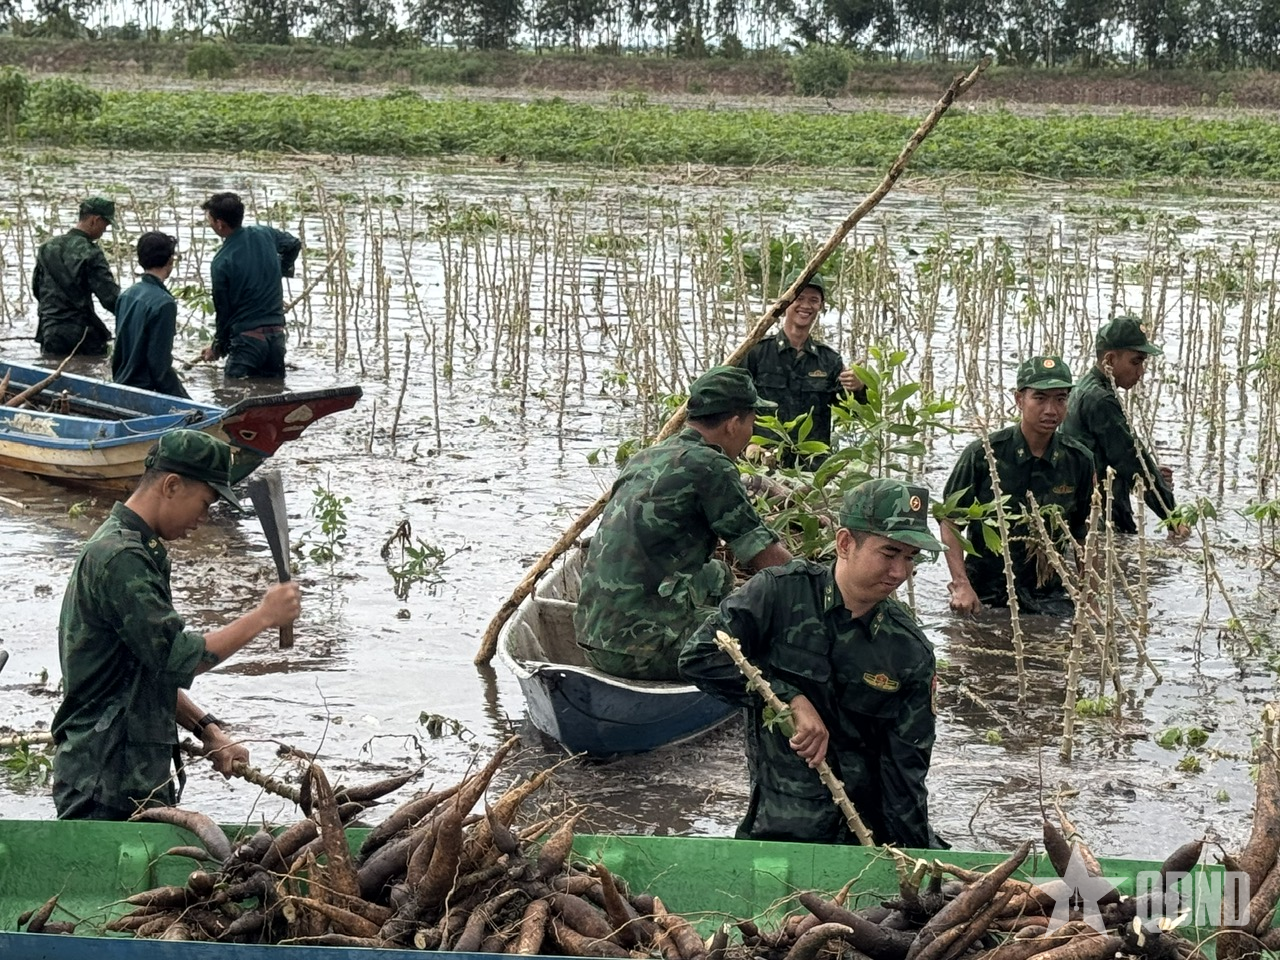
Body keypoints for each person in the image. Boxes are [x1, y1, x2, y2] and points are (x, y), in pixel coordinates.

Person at [680, 477, 944, 849]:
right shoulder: (778, 594)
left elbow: (906, 775)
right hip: (778, 830)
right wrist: (790, 699)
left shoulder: (909, 651)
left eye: (910, 557)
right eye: (889, 553)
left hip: (863, 839)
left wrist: (913, 858)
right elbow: (700, 656)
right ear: (845, 543)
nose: (900, 572)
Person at [51, 430, 302, 820]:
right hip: (105, 780)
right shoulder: (121, 559)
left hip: (129, 775)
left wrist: (208, 730)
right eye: (205, 503)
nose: (203, 520)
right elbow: (176, 658)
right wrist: (263, 616)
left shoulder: (136, 549)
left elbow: (146, 671)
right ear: (171, 486)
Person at [574, 365, 793, 681]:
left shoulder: (645, 457)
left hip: (591, 636)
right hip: (641, 653)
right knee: (769, 635)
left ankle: (686, 632)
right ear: (733, 425)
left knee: (717, 574)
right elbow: (764, 555)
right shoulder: (712, 466)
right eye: (751, 422)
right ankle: (694, 660)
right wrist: (821, 589)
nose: (751, 432)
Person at [940, 356, 1096, 618]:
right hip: (985, 593)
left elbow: (1084, 534)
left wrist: (1090, 595)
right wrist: (961, 584)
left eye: (1060, 399)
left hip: (1048, 596)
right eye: (1040, 398)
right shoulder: (984, 455)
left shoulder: (1078, 460)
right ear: (1019, 399)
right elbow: (950, 522)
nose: (1051, 410)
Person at [1060, 315, 1186, 536]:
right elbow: (1131, 459)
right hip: (1097, 516)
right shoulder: (1100, 399)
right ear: (1109, 360)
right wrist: (1172, 516)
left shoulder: (1085, 388)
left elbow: (1105, 459)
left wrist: (1155, 477)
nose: (1141, 371)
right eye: (1135, 362)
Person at [744, 269, 863, 465]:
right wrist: (747, 445)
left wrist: (858, 388)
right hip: (761, 463)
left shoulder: (829, 361)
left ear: (821, 306)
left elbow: (852, 414)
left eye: (814, 300)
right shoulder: (756, 353)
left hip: (812, 466)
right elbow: (733, 405)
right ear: (785, 302)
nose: (806, 306)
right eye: (799, 298)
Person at [199, 192, 301, 379]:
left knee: (230, 393)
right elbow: (293, 244)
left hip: (247, 342)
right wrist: (280, 269)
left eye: (210, 219)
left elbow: (224, 313)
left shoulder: (221, 262)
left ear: (220, 224)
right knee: (274, 392)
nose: (209, 223)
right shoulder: (265, 233)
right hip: (276, 337)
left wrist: (217, 347)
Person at [32, 196, 120, 357]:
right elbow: (110, 298)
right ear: (95, 220)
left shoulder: (46, 248)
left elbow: (37, 289)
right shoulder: (90, 252)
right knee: (91, 366)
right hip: (80, 334)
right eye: (106, 225)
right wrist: (134, 314)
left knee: (51, 369)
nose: (104, 230)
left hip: (49, 330)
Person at [111, 232, 190, 399]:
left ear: (140, 260)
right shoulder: (164, 303)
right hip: (145, 391)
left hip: (121, 384)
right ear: (170, 261)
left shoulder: (127, 295)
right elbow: (159, 367)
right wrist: (186, 401)